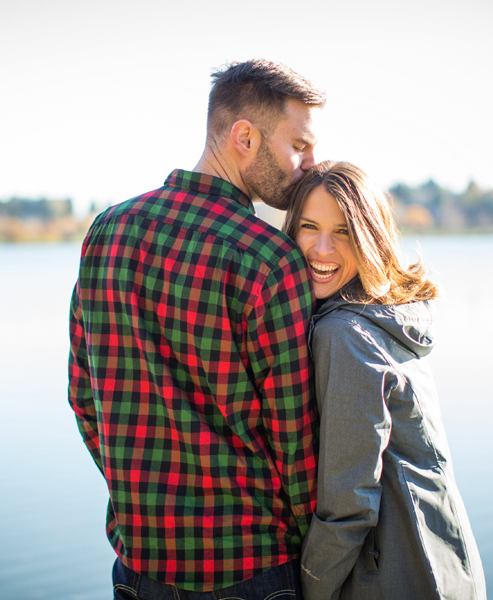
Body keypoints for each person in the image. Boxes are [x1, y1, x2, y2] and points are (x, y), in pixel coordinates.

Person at [68, 59, 325, 597]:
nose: (311, 163)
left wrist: (136, 499)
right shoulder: (268, 259)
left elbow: (83, 397)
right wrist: (312, 554)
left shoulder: (107, 231)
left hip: (140, 566)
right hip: (252, 567)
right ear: (245, 137)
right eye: (299, 145)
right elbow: (295, 442)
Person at [282, 161, 486, 600]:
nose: (321, 248)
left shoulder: (344, 334)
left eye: (343, 232)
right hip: (446, 560)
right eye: (309, 227)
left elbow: (348, 503)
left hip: (397, 573)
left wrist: (309, 588)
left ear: (369, 238)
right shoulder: (386, 315)